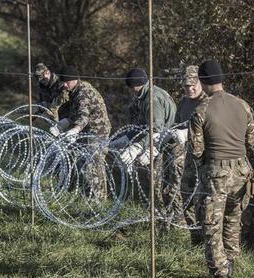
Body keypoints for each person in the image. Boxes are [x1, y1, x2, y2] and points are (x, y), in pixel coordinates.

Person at [188, 60, 254, 277]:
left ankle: (219, 271)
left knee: (211, 227)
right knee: (233, 219)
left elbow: (196, 150)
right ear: (222, 79)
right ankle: (230, 261)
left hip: (216, 173)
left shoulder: (201, 110)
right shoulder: (242, 104)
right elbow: (253, 139)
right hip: (241, 170)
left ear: (203, 81)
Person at [116, 68, 176, 215]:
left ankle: (161, 215)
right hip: (158, 141)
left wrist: (138, 147)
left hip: (165, 143)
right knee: (152, 180)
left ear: (136, 85)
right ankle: (153, 213)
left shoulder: (152, 99)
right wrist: (126, 138)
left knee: (158, 183)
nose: (130, 91)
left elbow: (156, 129)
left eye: (131, 88)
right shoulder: (146, 95)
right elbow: (142, 126)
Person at [51, 65, 111, 200]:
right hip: (88, 129)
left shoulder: (83, 92)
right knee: (83, 162)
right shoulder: (75, 90)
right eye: (63, 82)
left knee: (92, 164)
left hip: (97, 130)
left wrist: (75, 130)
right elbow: (76, 112)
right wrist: (65, 122)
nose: (65, 85)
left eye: (67, 82)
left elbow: (84, 115)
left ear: (74, 80)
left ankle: (97, 199)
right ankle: (87, 195)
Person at [171, 65, 208, 243]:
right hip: (188, 159)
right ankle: (196, 238)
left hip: (205, 159)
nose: (190, 89)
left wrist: (188, 133)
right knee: (187, 197)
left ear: (201, 83)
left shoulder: (207, 102)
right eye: (186, 86)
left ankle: (208, 239)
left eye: (194, 85)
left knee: (204, 201)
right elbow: (177, 124)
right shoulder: (184, 103)